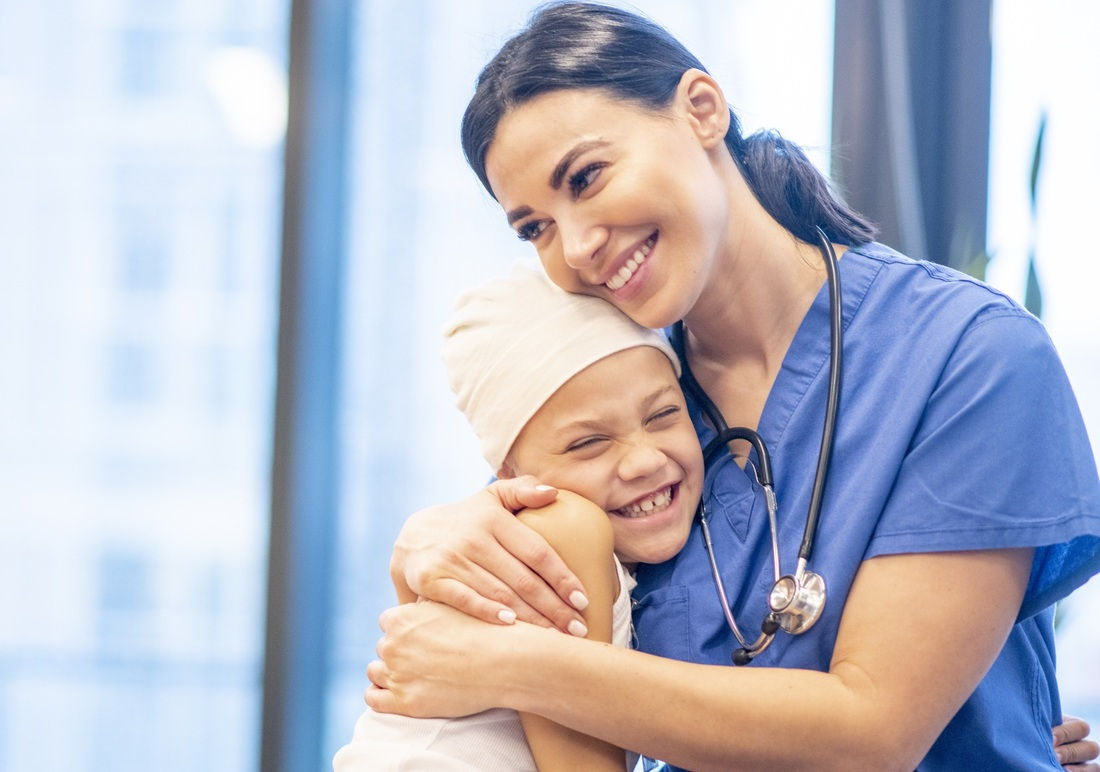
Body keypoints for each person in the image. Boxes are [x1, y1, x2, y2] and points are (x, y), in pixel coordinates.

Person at [366, 3, 1100, 770]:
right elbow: (492, 594)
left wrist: (514, 664)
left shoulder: (968, 357)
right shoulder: (618, 390)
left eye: (586, 177)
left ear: (702, 110)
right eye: (534, 228)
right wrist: (429, 540)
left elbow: (872, 734)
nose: (576, 248)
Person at [334, 259, 703, 771]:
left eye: (663, 415)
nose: (644, 461)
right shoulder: (560, 528)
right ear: (508, 472)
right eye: (589, 443)